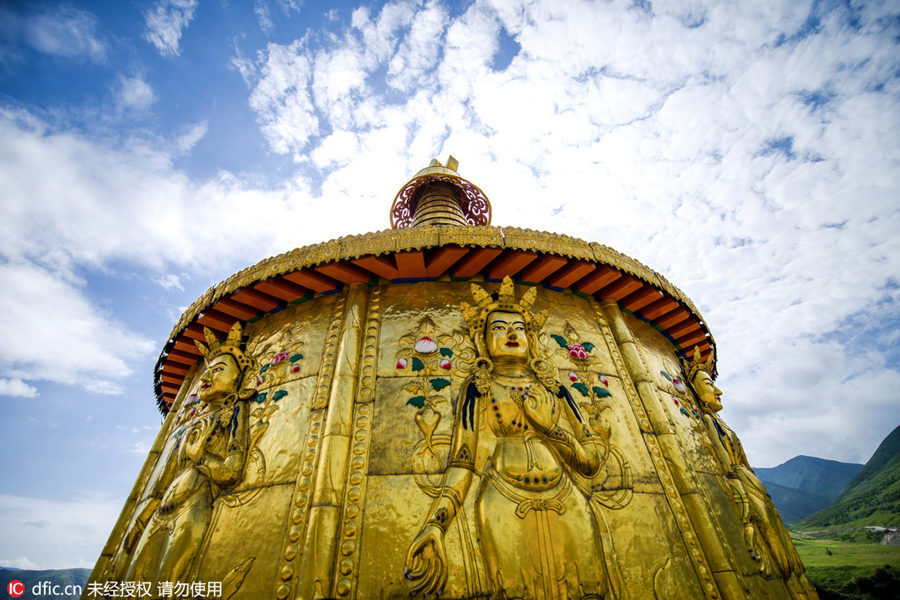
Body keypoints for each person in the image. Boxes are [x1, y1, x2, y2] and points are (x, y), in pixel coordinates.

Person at [406, 277, 610, 599]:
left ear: (532, 338)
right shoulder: (479, 389)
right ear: (483, 340)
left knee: (589, 589)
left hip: (565, 498)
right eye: (499, 328)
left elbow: (591, 462)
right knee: (512, 591)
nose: (512, 334)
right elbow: (462, 463)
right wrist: (436, 523)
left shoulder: (555, 389)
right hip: (503, 497)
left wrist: (550, 430)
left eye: (519, 328)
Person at [116, 322, 253, 589]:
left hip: (191, 510)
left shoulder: (233, 414)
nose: (205, 378)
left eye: (218, 371)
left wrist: (200, 457)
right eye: (205, 372)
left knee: (172, 585)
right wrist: (141, 520)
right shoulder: (189, 425)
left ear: (238, 379)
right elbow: (159, 486)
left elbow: (232, 472)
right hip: (159, 515)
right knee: (135, 585)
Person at [685, 347, 811, 598]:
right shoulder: (708, 422)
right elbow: (727, 465)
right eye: (710, 384)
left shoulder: (722, 424)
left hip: (752, 484)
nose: (718, 391)